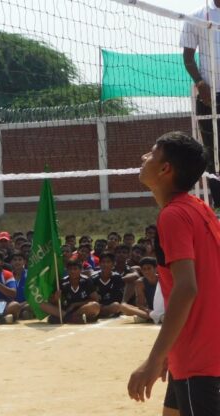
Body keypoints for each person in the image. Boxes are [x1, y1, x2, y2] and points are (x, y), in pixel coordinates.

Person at [128, 131, 220, 414]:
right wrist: (169, 349)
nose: (144, 158)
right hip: (200, 347)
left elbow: (186, 288)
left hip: (198, 357)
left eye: (152, 154)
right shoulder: (200, 209)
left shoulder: (173, 216)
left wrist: (154, 359)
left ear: (166, 169)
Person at [181, 2, 220, 207]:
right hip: (210, 95)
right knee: (212, 152)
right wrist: (200, 82)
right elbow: (187, 57)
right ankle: (219, 201)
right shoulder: (197, 16)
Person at [40, 260, 100, 324]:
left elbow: (95, 299)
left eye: (75, 269)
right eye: (70, 269)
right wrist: (55, 298)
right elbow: (54, 302)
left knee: (95, 306)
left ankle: (67, 318)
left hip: (82, 309)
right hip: (66, 310)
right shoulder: (62, 282)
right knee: (43, 305)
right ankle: (72, 318)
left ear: (80, 270)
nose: (72, 271)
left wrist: (75, 304)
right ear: (67, 270)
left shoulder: (86, 281)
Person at [119, 257, 159, 324]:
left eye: (149, 268)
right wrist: (150, 311)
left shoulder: (162, 280)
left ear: (155, 269)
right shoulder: (140, 282)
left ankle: (150, 317)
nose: (146, 271)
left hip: (164, 309)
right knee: (123, 306)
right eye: (144, 269)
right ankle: (154, 317)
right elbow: (140, 304)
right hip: (150, 311)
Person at [91, 253, 125, 318]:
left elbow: (118, 297)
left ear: (113, 264)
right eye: (103, 262)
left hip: (111, 305)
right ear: (100, 264)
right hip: (98, 305)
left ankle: (101, 313)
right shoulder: (93, 278)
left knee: (116, 306)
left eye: (108, 262)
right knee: (93, 306)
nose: (105, 264)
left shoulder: (117, 278)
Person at [10, 253, 33, 320]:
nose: (17, 262)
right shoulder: (7, 276)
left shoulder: (30, 275)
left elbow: (33, 297)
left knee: (31, 305)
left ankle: (16, 313)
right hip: (12, 305)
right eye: (15, 260)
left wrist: (18, 306)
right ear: (11, 262)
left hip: (26, 304)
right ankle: (18, 313)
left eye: (20, 260)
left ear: (24, 262)